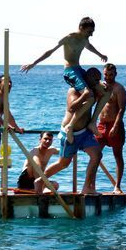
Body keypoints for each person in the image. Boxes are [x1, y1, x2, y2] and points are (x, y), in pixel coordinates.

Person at [20, 17, 111, 142]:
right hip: (70, 71)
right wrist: (33, 63)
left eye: (92, 32)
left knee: (106, 90)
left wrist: (100, 55)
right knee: (89, 96)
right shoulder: (69, 38)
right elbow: (50, 52)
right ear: (81, 28)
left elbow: (89, 46)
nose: (91, 34)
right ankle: (70, 126)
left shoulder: (84, 39)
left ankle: (92, 122)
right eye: (89, 31)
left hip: (79, 69)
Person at [44, 67, 105, 195]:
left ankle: (87, 187)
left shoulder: (94, 90)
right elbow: (72, 108)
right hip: (70, 132)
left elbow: (107, 93)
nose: (96, 82)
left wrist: (103, 87)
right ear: (87, 78)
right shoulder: (74, 90)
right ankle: (40, 180)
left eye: (98, 79)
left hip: (85, 132)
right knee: (63, 163)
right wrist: (85, 96)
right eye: (95, 79)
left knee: (97, 155)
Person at [95, 63, 126, 192]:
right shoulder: (100, 87)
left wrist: (115, 126)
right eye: (106, 75)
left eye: (111, 75)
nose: (108, 77)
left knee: (117, 155)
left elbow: (121, 109)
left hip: (115, 125)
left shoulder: (119, 89)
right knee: (95, 154)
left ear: (115, 74)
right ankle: (91, 185)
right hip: (101, 125)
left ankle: (117, 186)